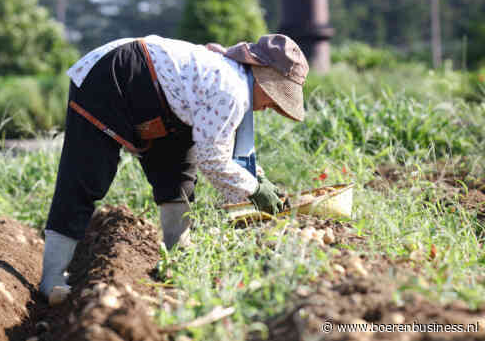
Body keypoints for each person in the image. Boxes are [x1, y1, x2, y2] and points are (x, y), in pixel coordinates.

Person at [39, 34, 309, 301]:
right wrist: (254, 190)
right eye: (275, 96)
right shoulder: (233, 90)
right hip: (113, 76)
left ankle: (176, 259)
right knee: (86, 175)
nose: (271, 106)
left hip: (158, 93)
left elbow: (223, 149)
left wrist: (256, 179)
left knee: (178, 174)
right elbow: (213, 160)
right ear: (262, 76)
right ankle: (52, 279)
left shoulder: (234, 80)